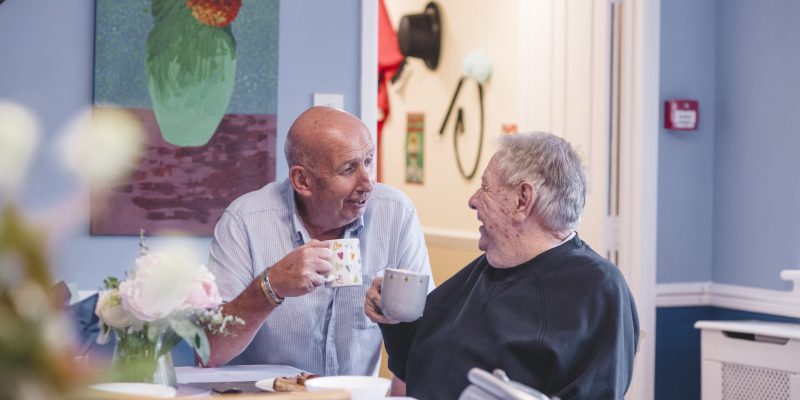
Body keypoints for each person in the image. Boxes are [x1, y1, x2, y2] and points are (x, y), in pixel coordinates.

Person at [365, 132, 639, 399]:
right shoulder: (490, 265)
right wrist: (395, 320)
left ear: (522, 200)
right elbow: (417, 361)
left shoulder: (597, 286)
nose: (472, 200)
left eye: (485, 187)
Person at [205, 106, 432, 381]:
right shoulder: (245, 221)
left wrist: (397, 316)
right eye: (348, 168)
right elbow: (210, 351)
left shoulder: (396, 212)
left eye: (368, 161)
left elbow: (428, 338)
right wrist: (270, 286)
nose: (368, 183)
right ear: (303, 181)